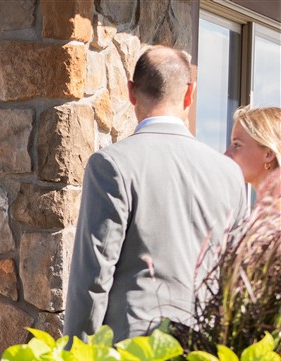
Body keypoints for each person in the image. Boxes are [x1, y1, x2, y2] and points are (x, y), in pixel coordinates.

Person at [64, 46, 248, 342]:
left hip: (132, 357)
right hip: (204, 357)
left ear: (130, 93)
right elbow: (237, 279)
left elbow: (93, 278)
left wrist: (75, 357)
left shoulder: (112, 164)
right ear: (190, 94)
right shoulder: (229, 174)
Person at [224, 105, 280, 226]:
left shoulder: (275, 217)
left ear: (268, 154)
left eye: (237, 145)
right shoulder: (266, 211)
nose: (226, 154)